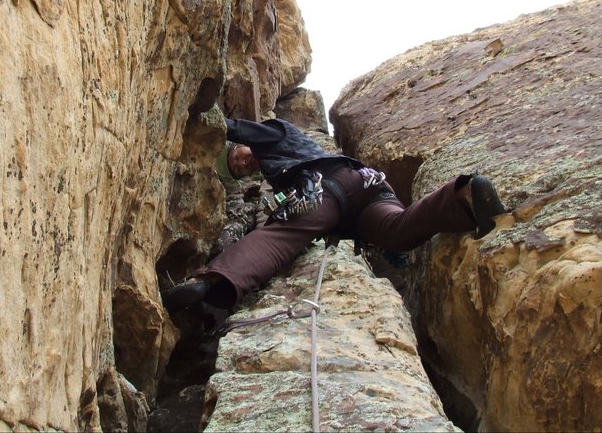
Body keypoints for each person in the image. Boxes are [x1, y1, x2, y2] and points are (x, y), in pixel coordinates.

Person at [162, 117, 506, 312]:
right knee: (397, 229)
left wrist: (204, 121)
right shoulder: (274, 164)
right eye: (238, 170)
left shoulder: (276, 132)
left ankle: (207, 281)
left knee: (283, 232)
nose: (243, 163)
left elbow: (232, 126)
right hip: (368, 190)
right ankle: (462, 195)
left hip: (327, 186)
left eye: (238, 156)